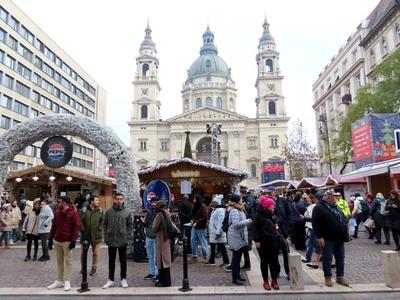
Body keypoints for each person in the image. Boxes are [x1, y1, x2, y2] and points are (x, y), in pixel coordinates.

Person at [312, 190, 349, 287]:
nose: (337, 199)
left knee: (340, 258)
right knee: (327, 258)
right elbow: (315, 224)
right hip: (327, 238)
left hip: (339, 237)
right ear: (328, 197)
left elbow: (343, 218)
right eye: (334, 197)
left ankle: (340, 276)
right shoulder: (319, 208)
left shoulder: (336, 207)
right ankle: (327, 277)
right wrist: (319, 237)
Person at [47, 196, 80, 291]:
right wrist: (50, 238)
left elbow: (76, 227)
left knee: (68, 261)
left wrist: (74, 240)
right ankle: (59, 280)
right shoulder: (58, 211)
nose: (58, 203)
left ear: (65, 202)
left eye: (60, 201)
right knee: (59, 261)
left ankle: (67, 281)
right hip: (57, 240)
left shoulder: (73, 212)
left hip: (67, 241)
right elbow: (54, 225)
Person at [102, 193, 133, 289]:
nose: (119, 201)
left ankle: (123, 279)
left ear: (123, 200)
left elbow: (130, 226)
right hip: (111, 240)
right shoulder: (109, 211)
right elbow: (104, 224)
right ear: (114, 200)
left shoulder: (127, 212)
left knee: (123, 261)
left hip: (122, 240)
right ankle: (111, 279)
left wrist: (127, 237)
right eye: (117, 199)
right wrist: (106, 236)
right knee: (111, 260)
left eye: (120, 199)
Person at [253, 195, 280, 290]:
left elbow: (277, 225)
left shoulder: (273, 214)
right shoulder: (258, 215)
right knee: (264, 262)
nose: (274, 206)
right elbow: (255, 228)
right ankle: (265, 281)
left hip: (273, 241)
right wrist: (257, 240)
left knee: (274, 262)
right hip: (263, 242)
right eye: (272, 205)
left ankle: (274, 280)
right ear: (267, 206)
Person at [226, 193, 252, 285]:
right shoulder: (234, 211)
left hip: (239, 237)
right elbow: (236, 224)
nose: (242, 200)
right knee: (236, 259)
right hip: (236, 237)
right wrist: (247, 221)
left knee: (238, 258)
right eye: (240, 199)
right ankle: (235, 277)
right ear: (237, 201)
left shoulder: (239, 209)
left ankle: (237, 275)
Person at [152, 200, 179, 287]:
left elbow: (154, 228)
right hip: (167, 239)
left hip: (161, 239)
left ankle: (163, 281)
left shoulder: (159, 215)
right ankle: (167, 281)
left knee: (161, 260)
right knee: (166, 260)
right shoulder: (167, 214)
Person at [80, 195, 104, 276]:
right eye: (96, 200)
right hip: (85, 236)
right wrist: (83, 229)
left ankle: (94, 267)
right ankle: (83, 267)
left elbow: (103, 221)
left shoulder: (100, 210)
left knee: (96, 253)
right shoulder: (84, 210)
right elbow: (79, 221)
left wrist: (99, 228)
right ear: (91, 201)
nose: (98, 202)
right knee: (83, 253)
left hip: (96, 235)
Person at [207, 194, 229, 266]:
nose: (212, 203)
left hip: (217, 231)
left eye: (214, 202)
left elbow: (220, 221)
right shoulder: (216, 209)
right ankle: (212, 260)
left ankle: (226, 261)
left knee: (222, 246)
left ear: (217, 203)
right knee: (213, 246)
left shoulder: (220, 210)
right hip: (214, 231)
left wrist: (218, 231)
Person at [141, 196, 159, 281]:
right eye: (152, 202)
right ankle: (152, 272)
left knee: (156, 257)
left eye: (155, 202)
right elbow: (146, 224)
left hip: (156, 237)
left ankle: (157, 273)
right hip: (149, 236)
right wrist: (143, 221)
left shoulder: (160, 213)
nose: (153, 204)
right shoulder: (148, 212)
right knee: (150, 256)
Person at [190, 195, 208, 263]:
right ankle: (194, 256)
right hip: (195, 227)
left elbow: (205, 216)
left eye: (195, 199)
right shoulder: (196, 206)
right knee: (193, 240)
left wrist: (197, 222)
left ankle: (205, 256)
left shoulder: (203, 206)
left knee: (203, 241)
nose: (194, 200)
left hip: (201, 227)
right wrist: (192, 220)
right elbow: (193, 215)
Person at [37, 197, 54, 261]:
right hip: (42, 228)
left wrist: (45, 222)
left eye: (42, 203)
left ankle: (46, 256)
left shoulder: (47, 208)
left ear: (45, 202)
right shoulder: (42, 208)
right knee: (43, 243)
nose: (41, 204)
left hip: (45, 229)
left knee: (44, 243)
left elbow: (51, 216)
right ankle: (44, 255)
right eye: (40, 203)